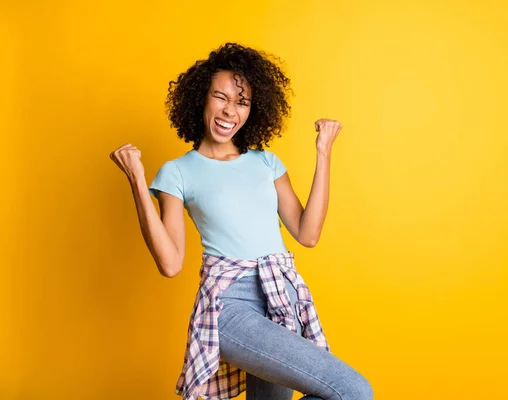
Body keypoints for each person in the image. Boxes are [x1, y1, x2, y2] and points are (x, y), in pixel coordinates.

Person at [109, 43, 373, 400]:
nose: (229, 111)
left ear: (254, 109)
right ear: (201, 99)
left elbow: (307, 234)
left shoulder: (266, 163)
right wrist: (138, 181)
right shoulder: (177, 173)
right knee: (354, 391)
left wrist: (324, 151)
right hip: (231, 305)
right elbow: (170, 263)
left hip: (283, 297)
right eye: (220, 96)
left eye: (242, 102)